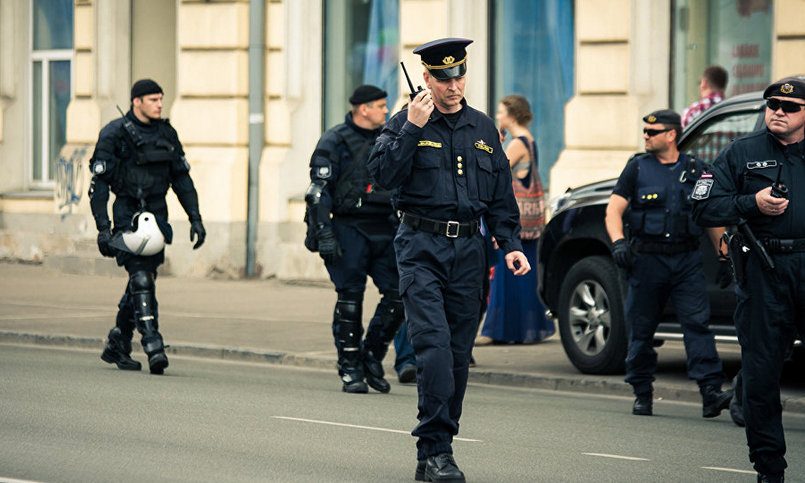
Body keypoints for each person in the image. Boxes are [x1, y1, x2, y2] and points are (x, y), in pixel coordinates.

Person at [368, 38, 529, 482]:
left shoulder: (482, 128)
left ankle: (437, 449)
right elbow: (382, 175)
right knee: (434, 351)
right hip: (420, 248)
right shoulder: (406, 121)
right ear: (426, 79)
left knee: (458, 357)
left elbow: (500, 194)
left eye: (459, 75)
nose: (453, 84)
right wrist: (412, 129)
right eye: (443, 77)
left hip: (469, 253)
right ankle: (436, 450)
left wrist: (510, 243)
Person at [691, 77, 805, 483]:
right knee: (759, 376)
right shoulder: (741, 153)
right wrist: (750, 203)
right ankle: (769, 469)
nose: (778, 111)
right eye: (772, 104)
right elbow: (704, 207)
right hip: (764, 270)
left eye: (789, 107)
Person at [604, 109, 732, 418]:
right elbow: (613, 210)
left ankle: (710, 392)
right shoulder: (637, 168)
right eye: (645, 132)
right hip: (647, 259)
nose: (646, 137)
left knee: (697, 325)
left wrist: (725, 254)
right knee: (642, 329)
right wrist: (619, 242)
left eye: (653, 132)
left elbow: (711, 218)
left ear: (671, 135)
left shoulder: (697, 170)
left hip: (686, 259)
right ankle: (642, 392)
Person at [91, 79, 206, 375]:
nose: (159, 104)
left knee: (144, 279)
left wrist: (195, 217)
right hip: (127, 212)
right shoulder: (114, 134)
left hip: (157, 213)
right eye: (153, 99)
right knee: (141, 278)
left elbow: (181, 179)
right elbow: (99, 186)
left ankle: (119, 340)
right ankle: (153, 343)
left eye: (160, 99)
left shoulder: (167, 133)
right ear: (136, 102)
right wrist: (103, 229)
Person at [304, 84, 409, 394]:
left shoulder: (387, 138)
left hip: (385, 227)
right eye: (380, 105)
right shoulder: (334, 140)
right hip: (349, 228)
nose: (386, 111)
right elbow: (318, 191)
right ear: (364, 109)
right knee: (350, 299)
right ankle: (350, 365)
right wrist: (323, 232)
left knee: (400, 293)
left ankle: (372, 355)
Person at [476, 95, 553, 345]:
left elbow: (495, 170)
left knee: (505, 271)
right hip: (530, 217)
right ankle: (525, 327)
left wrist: (494, 146)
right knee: (524, 272)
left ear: (512, 115)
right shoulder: (529, 139)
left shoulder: (518, 143)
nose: (498, 116)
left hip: (513, 216)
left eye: (501, 112)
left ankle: (499, 329)